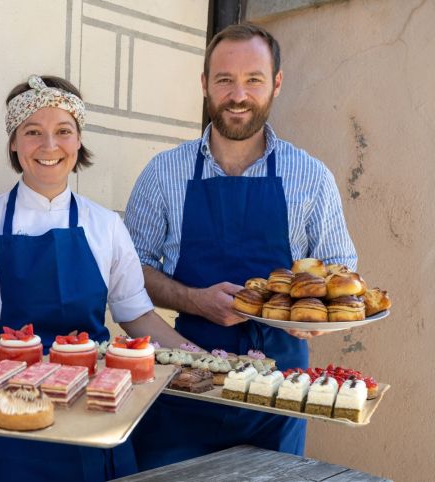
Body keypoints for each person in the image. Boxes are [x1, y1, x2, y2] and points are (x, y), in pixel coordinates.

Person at [125, 23, 357, 469]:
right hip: (184, 379)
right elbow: (129, 271)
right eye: (225, 79)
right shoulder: (163, 173)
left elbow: (340, 274)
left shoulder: (310, 177)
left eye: (253, 79)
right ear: (205, 85)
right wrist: (194, 299)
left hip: (279, 393)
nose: (238, 94)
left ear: (276, 83)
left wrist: (313, 322)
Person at [0, 75, 193, 482]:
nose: (49, 146)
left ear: (78, 141)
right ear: (14, 143)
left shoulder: (105, 225)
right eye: (33, 132)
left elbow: (136, 315)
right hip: (10, 407)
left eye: (63, 132)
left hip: (94, 401)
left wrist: (198, 355)